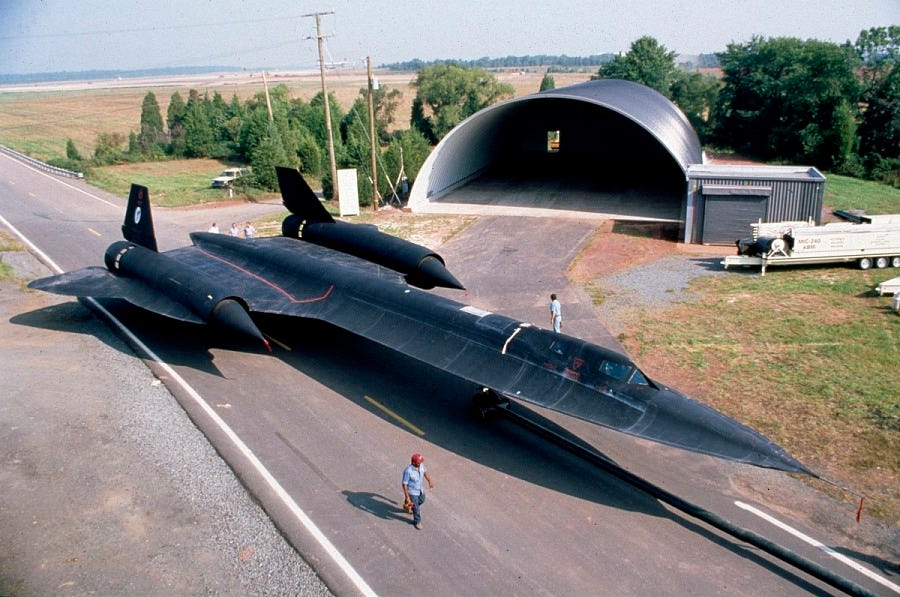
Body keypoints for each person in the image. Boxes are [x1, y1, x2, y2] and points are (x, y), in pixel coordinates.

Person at [401, 453, 434, 530]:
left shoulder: (421, 466)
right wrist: (407, 497)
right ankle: (417, 522)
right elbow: (404, 484)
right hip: (412, 492)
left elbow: (425, 472)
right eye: (419, 462)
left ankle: (409, 505)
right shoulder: (408, 471)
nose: (421, 463)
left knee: (422, 500)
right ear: (413, 462)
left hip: (420, 490)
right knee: (416, 508)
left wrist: (430, 481)